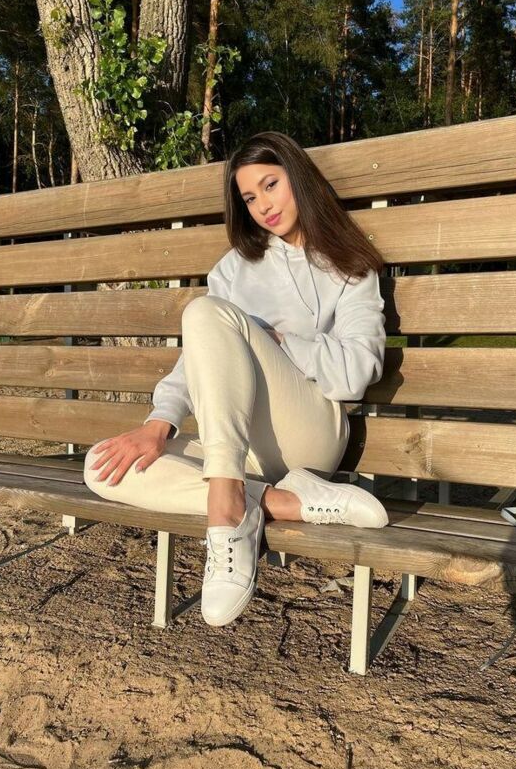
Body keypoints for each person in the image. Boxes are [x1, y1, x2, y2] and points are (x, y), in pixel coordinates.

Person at [83, 131, 390, 629]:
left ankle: (227, 515)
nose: (263, 205)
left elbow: (359, 369)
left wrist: (276, 340)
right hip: (238, 448)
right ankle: (277, 501)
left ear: (298, 178)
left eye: (271, 185)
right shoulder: (232, 270)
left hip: (309, 431)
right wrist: (159, 423)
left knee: (207, 314)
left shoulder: (349, 265)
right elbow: (198, 360)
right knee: (100, 466)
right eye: (249, 197)